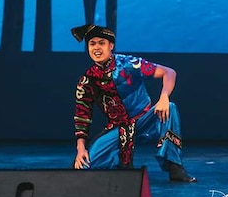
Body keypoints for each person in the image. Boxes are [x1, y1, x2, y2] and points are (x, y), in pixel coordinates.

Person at [72, 23, 196, 182]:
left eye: (101, 43)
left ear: (111, 45)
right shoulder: (87, 80)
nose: (97, 48)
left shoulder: (128, 64)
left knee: (170, 108)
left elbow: (169, 72)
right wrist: (80, 148)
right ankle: (118, 165)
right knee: (83, 167)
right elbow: (82, 115)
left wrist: (164, 95)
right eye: (92, 44)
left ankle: (175, 168)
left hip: (145, 119)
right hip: (117, 128)